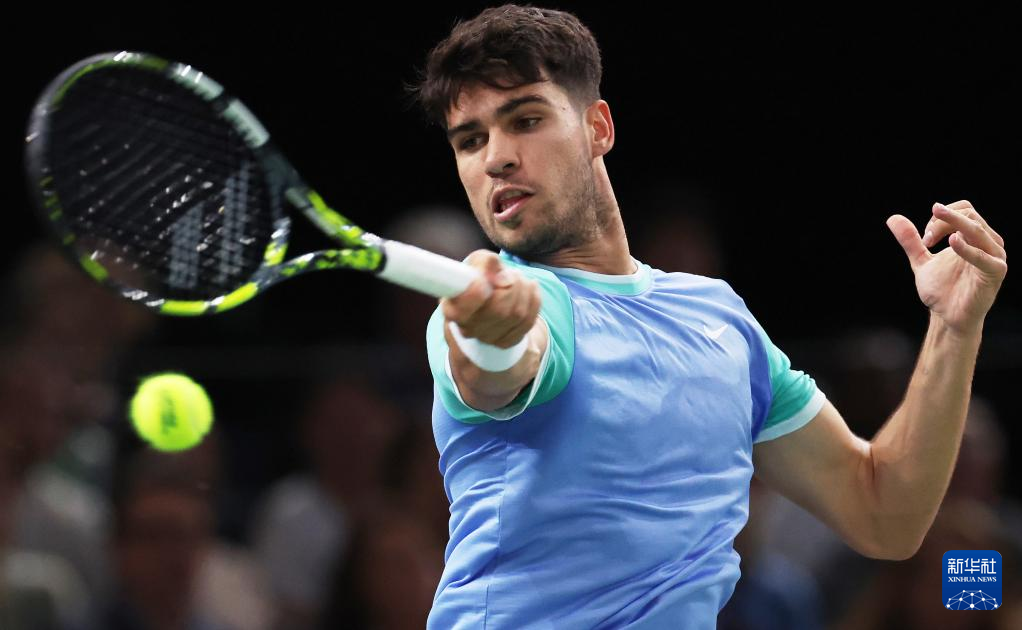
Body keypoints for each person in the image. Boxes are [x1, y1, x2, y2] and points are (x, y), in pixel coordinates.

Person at [408, 5, 1008, 628]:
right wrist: (492, 336)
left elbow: (884, 515)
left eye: (525, 120)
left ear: (597, 128)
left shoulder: (719, 319)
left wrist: (954, 327)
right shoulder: (500, 303)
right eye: (469, 140)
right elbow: (500, 369)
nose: (496, 157)